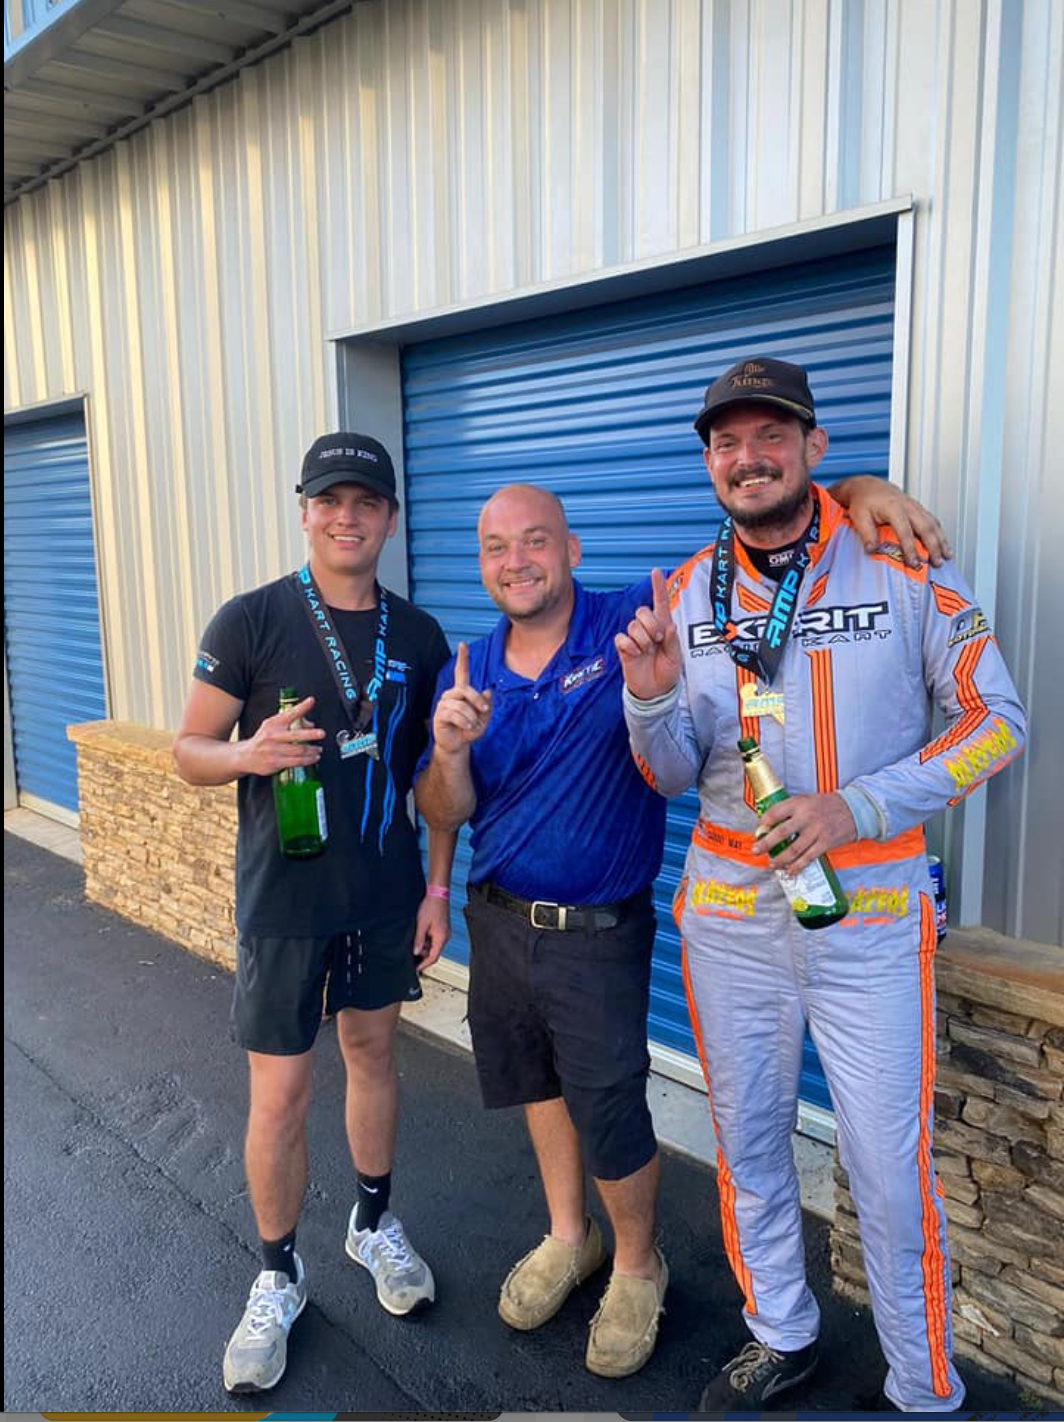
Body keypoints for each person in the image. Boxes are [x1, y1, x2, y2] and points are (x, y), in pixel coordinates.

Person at [414, 464, 952, 1381]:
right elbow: (444, 807)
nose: (518, 561)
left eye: (536, 540)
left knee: (611, 1101)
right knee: (536, 1088)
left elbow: (758, 537)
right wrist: (448, 748)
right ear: (481, 566)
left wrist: (856, 488)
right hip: (497, 918)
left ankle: (634, 1266)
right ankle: (567, 1236)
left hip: (598, 928)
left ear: (572, 551)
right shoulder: (465, 667)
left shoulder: (639, 610)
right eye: (497, 548)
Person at [617, 356, 1027, 1413]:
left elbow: (997, 725)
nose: (745, 458)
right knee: (748, 1139)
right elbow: (665, 777)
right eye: (723, 441)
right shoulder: (677, 593)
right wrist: (651, 702)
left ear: (813, 449)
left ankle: (921, 1384)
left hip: (870, 912)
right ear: (708, 461)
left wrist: (858, 805)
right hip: (728, 911)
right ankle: (780, 1332)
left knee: (887, 1172)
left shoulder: (903, 559)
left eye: (768, 436)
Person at [174, 433, 455, 1394]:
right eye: (330, 500)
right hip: (284, 907)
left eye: (365, 502)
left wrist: (436, 885)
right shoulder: (250, 619)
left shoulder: (419, 637)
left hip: (382, 901)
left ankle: (373, 1222)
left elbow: (430, 777)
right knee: (280, 1095)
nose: (347, 517)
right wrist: (245, 755)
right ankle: (278, 1271)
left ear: (387, 518)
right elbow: (186, 750)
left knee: (374, 1057)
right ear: (305, 512)